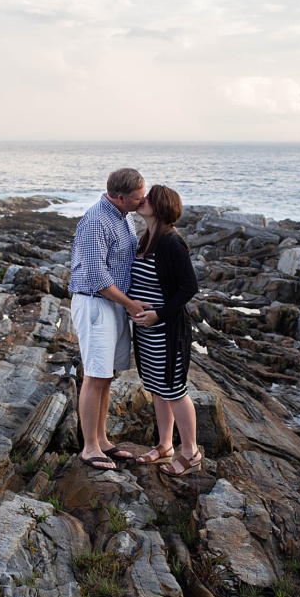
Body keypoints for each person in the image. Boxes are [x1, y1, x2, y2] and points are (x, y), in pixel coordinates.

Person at [69, 168, 151, 471]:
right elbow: (96, 276)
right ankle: (89, 447)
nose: (142, 202)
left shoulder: (123, 215)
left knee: (106, 375)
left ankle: (102, 440)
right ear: (119, 197)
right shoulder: (95, 221)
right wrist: (131, 305)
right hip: (95, 304)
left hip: (113, 303)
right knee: (94, 374)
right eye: (137, 198)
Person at [130, 185, 203, 477]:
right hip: (147, 332)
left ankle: (191, 453)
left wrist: (158, 313)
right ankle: (164, 446)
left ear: (159, 207)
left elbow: (190, 287)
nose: (141, 200)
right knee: (157, 389)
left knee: (174, 390)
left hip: (168, 331)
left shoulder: (172, 243)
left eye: (147, 198)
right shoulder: (146, 239)